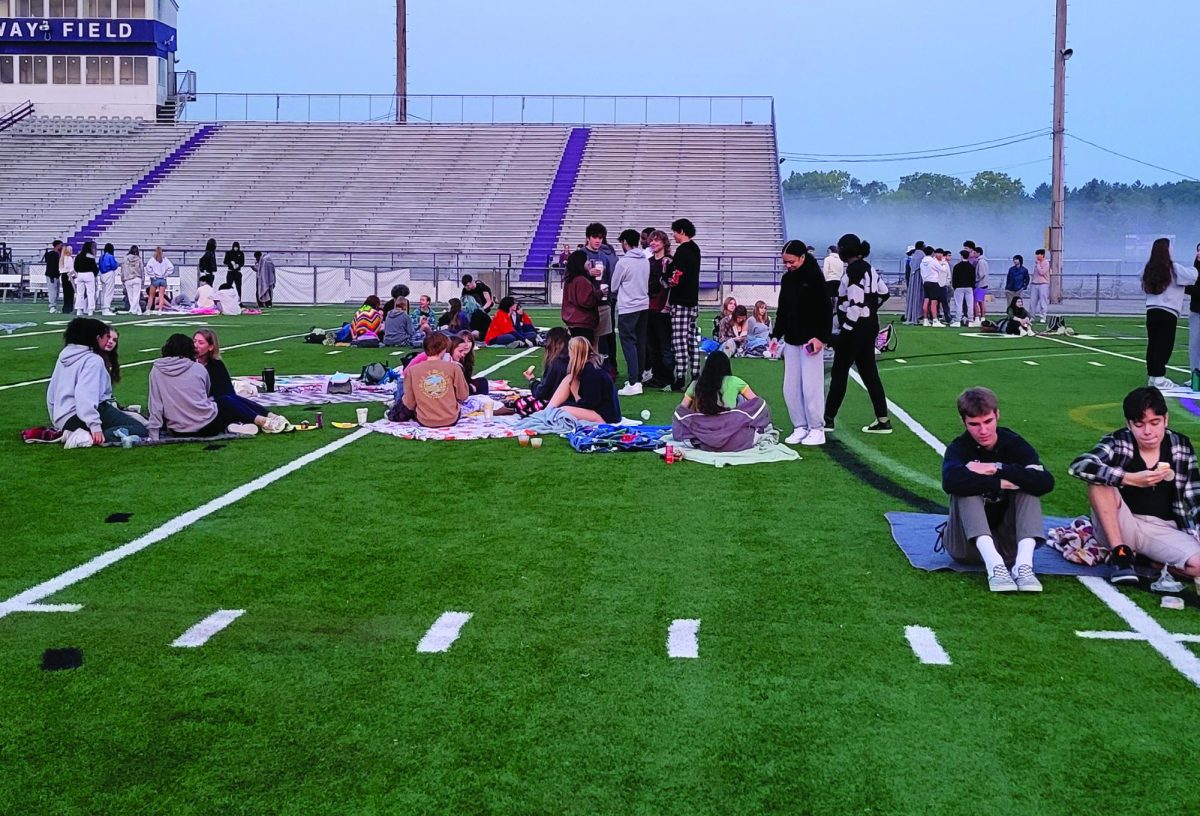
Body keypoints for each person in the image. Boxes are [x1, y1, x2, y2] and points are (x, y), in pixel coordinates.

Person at [1070, 386, 1200, 584]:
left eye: (1154, 423)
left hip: (1163, 528)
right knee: (1098, 480)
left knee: (1197, 565)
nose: (1147, 431)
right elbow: (1079, 466)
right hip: (1120, 524)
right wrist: (1129, 478)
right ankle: (1120, 556)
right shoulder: (1119, 441)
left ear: (1166, 419)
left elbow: (1194, 496)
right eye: (1139, 424)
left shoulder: (1180, 446)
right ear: (1129, 424)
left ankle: (1149, 563)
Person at [942, 386, 1054, 592]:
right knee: (966, 487)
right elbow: (950, 481)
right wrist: (1000, 482)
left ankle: (1024, 566)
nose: (983, 431)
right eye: (974, 424)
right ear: (963, 422)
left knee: (1029, 486)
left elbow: (1045, 482)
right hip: (966, 546)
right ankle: (994, 567)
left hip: (1009, 547)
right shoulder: (959, 447)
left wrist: (997, 468)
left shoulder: (1013, 443)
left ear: (997, 415)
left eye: (988, 422)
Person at [824, 234, 893, 435]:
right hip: (870, 326)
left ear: (845, 249)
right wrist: (871, 310)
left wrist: (846, 330)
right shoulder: (868, 268)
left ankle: (828, 419)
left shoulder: (853, 271)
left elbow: (855, 304)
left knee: (839, 373)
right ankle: (883, 419)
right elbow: (884, 292)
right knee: (870, 374)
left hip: (855, 329)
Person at [47, 317, 148, 448]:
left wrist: (56, 419)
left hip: (62, 418)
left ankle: (78, 432)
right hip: (81, 415)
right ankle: (87, 436)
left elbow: (51, 392)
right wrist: (95, 426)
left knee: (127, 417)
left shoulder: (64, 355)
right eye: (105, 336)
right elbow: (85, 395)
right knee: (139, 428)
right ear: (96, 338)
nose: (108, 341)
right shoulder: (93, 360)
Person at [770, 239, 832, 445]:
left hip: (811, 342)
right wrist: (775, 336)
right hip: (791, 341)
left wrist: (821, 338)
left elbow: (825, 310)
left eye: (791, 262)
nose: (788, 266)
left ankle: (817, 428)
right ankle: (800, 426)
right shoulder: (787, 280)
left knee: (811, 386)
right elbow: (783, 310)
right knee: (790, 387)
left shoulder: (815, 277)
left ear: (802, 258)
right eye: (785, 262)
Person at [147, 333, 258, 440]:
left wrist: (154, 434)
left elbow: (155, 404)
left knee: (227, 401)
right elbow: (205, 394)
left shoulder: (156, 370)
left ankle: (250, 421)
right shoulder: (198, 368)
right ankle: (255, 420)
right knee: (227, 402)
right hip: (207, 426)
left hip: (178, 430)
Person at [193, 329, 289, 433]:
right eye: (194, 341)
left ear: (211, 347)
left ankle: (271, 416)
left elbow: (228, 392)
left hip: (214, 404)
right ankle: (262, 422)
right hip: (201, 407)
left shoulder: (216, 365)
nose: (195, 345)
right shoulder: (190, 365)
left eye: (200, 342)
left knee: (233, 398)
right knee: (225, 400)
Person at [1141, 237, 1198, 389]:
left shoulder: (1149, 268)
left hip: (1151, 311)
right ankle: (1159, 378)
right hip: (1168, 312)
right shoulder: (1173, 268)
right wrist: (1197, 262)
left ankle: (1153, 376)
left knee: (1153, 345)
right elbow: (1193, 275)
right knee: (1164, 345)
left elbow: (1142, 280)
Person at [546, 336, 622, 424]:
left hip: (605, 417)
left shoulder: (591, 372)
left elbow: (591, 402)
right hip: (606, 412)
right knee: (569, 378)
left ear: (574, 353)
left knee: (562, 410)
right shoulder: (594, 366)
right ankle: (548, 409)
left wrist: (573, 402)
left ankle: (549, 411)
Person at [611, 228, 650, 396]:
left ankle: (634, 381)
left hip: (628, 306)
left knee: (628, 343)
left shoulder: (623, 262)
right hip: (643, 304)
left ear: (625, 243)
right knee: (640, 342)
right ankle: (638, 377)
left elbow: (613, 286)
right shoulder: (645, 259)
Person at [401, 333, 470, 427]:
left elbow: (409, 403)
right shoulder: (454, 368)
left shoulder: (412, 371)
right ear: (444, 349)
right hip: (450, 418)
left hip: (424, 419)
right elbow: (463, 396)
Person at [668, 218, 702, 390]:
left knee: (679, 340)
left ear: (681, 231)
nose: (673, 235)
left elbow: (676, 277)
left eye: (674, 232)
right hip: (693, 301)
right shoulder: (696, 249)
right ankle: (696, 374)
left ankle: (680, 376)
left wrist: (667, 279)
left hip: (680, 301)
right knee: (691, 339)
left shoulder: (682, 251)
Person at [583, 223, 619, 375]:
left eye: (600, 237)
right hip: (585, 304)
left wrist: (609, 298)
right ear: (588, 238)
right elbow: (572, 277)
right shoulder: (581, 255)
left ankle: (603, 369)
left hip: (603, 303)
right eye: (594, 237)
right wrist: (587, 272)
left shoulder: (604, 257)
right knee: (585, 339)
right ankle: (584, 368)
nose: (598, 240)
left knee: (604, 338)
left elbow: (610, 279)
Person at [644, 229, 675, 388]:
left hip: (663, 308)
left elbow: (670, 285)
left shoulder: (668, 261)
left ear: (664, 243)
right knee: (652, 345)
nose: (653, 243)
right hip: (649, 307)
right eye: (652, 240)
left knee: (664, 344)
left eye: (657, 240)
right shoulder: (649, 262)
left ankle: (668, 377)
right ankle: (657, 376)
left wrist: (667, 305)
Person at [681, 350, 758, 412]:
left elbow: (682, 409)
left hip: (701, 427)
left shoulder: (696, 384)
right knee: (741, 398)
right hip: (729, 426)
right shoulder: (735, 381)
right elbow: (757, 402)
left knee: (694, 400)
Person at [520, 326, 571, 413]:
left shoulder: (555, 362)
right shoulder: (572, 359)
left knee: (522, 404)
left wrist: (532, 380)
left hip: (556, 404)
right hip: (570, 403)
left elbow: (542, 392)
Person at [562, 249, 601, 342]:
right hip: (583, 322)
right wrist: (599, 294)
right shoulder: (581, 280)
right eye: (586, 260)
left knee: (576, 352)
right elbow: (586, 301)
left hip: (572, 321)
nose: (589, 263)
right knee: (584, 352)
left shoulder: (570, 279)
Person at [950, 249, 975, 327]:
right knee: (970, 304)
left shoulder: (957, 266)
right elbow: (973, 278)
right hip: (969, 287)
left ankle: (958, 320)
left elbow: (954, 278)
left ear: (961, 256)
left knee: (958, 304)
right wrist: (972, 286)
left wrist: (954, 286)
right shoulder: (971, 266)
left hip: (959, 287)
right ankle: (970, 320)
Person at [73, 241, 98, 316]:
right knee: (90, 293)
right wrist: (95, 274)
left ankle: (79, 310)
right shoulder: (90, 256)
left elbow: (75, 266)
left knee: (79, 293)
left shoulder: (78, 256)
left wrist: (78, 272)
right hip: (89, 274)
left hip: (80, 274)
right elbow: (94, 268)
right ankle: (90, 310)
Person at [145, 247, 174, 314]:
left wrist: (152, 275)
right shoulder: (165, 259)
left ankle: (148, 310)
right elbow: (171, 267)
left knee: (151, 296)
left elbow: (148, 268)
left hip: (155, 279)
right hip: (162, 279)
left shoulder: (152, 259)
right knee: (161, 296)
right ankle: (160, 310)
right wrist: (165, 275)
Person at [919, 246, 942, 327]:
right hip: (934, 282)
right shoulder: (933, 261)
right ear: (932, 253)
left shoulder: (922, 262)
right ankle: (935, 320)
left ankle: (925, 319)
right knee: (934, 302)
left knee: (926, 301)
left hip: (925, 282)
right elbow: (942, 269)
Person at [120, 245, 144, 315]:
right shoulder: (139, 259)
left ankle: (136, 310)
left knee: (131, 297)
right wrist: (143, 280)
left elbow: (122, 270)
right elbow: (142, 270)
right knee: (136, 296)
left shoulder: (125, 259)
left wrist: (122, 279)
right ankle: (135, 310)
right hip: (137, 278)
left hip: (128, 279)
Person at [97, 242, 119, 316]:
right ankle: (106, 308)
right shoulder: (110, 256)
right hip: (109, 273)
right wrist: (117, 264)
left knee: (104, 291)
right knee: (109, 292)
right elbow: (114, 266)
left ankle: (104, 307)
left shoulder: (101, 257)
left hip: (102, 274)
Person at [1030, 248, 1051, 323]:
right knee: (1032, 301)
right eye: (1037, 254)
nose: (1037, 256)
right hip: (1034, 284)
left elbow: (1042, 272)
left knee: (1043, 301)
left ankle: (1043, 316)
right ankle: (1031, 316)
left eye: (1039, 254)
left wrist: (1038, 264)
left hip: (1043, 284)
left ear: (1043, 255)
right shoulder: (1036, 264)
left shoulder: (1046, 263)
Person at [43, 240, 63, 314]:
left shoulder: (54, 254)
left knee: (56, 291)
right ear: (57, 245)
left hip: (55, 274)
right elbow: (52, 265)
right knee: (53, 291)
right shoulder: (53, 254)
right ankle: (52, 306)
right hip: (52, 275)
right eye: (60, 245)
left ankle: (54, 306)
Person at [972, 245, 990, 324]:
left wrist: (975, 280)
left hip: (980, 285)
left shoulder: (981, 262)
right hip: (983, 284)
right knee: (980, 301)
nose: (973, 254)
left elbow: (981, 274)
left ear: (978, 253)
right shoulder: (983, 261)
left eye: (974, 253)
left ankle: (978, 317)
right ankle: (982, 317)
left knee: (976, 301)